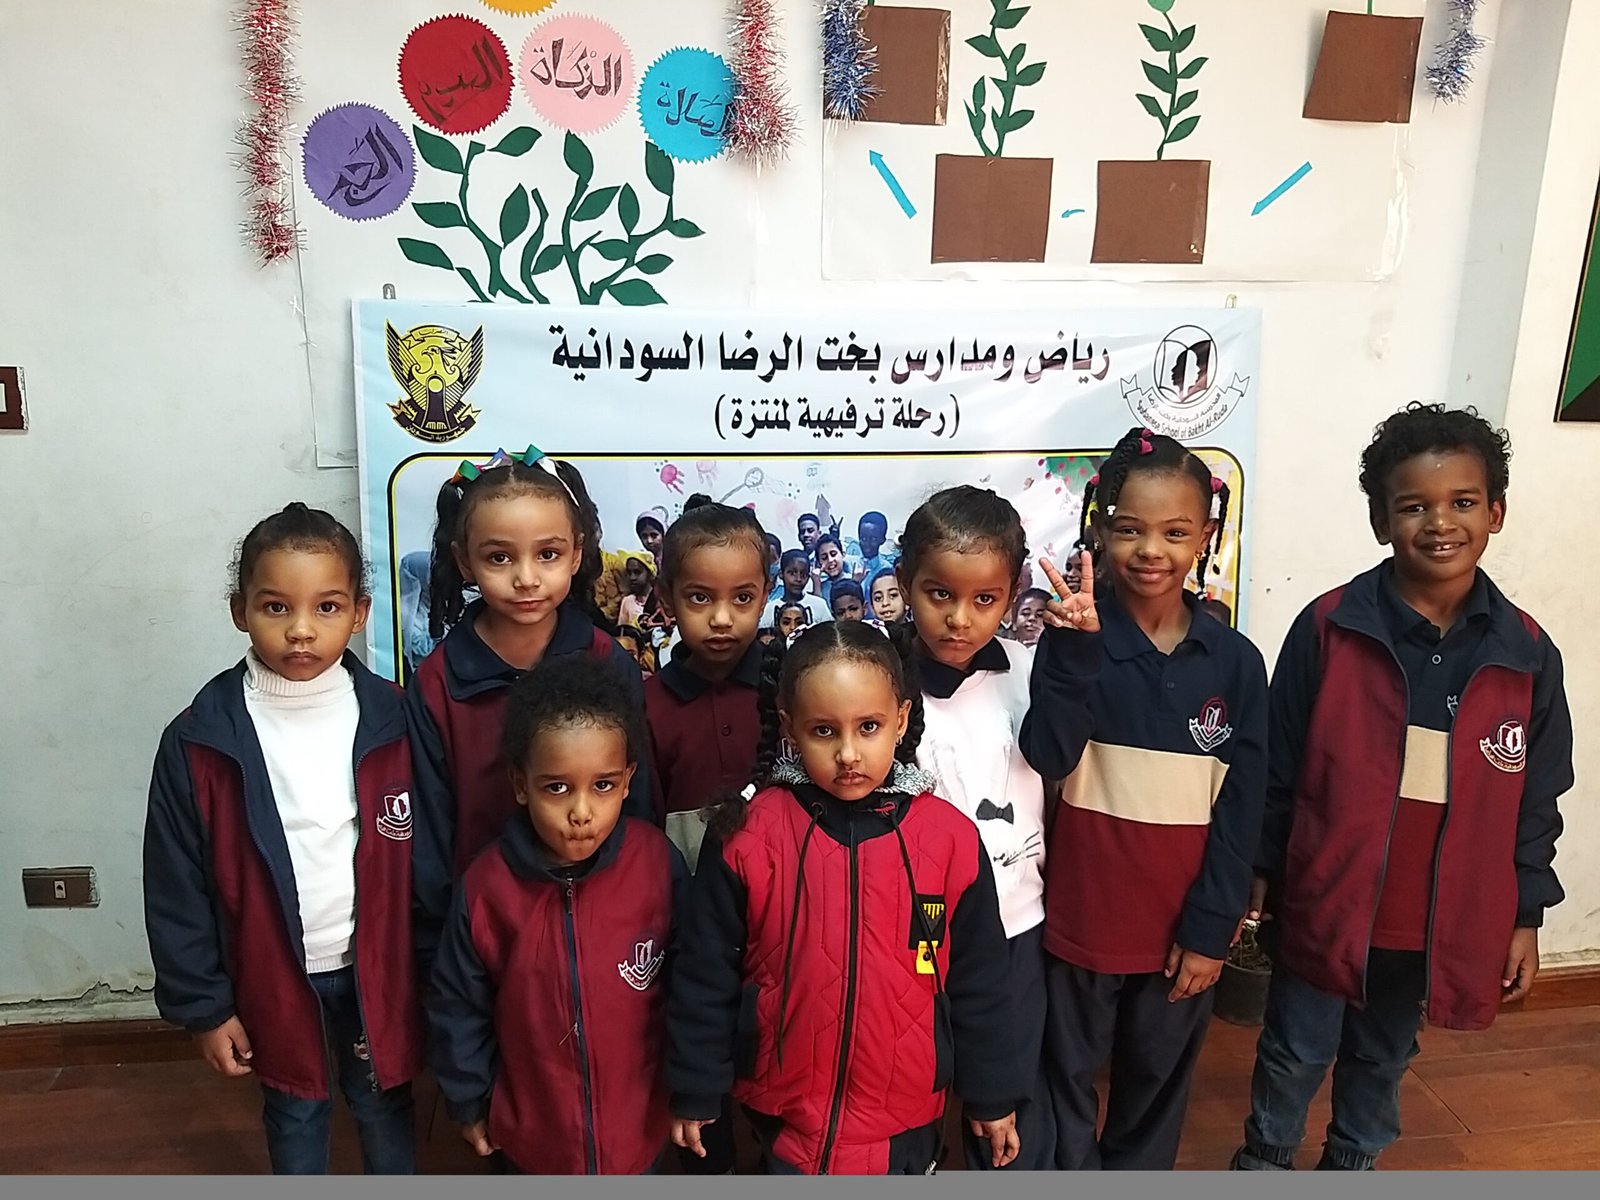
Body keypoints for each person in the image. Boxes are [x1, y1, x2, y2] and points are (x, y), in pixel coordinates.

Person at [1230, 404, 1574, 1172]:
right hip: (1325, 903)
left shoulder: (1526, 653)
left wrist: (1524, 915)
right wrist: (1262, 869)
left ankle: (1352, 1166)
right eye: (1413, 506)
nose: (1439, 523)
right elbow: (1278, 767)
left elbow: (1536, 800)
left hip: (1429, 925)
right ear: (1382, 521)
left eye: (1462, 502)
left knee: (1382, 1056)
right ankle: (1265, 1162)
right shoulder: (1329, 628)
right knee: (1293, 1049)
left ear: (1496, 512)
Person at [667, 622, 1024, 1175]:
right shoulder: (747, 836)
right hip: (782, 1118)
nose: (849, 753)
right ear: (789, 726)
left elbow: (982, 980)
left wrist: (993, 1092)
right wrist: (695, 1085)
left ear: (901, 720)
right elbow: (704, 974)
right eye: (824, 731)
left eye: (869, 727)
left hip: (906, 1122)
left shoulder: (949, 840)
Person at [143, 504, 422, 1175]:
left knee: (384, 1103)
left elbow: (432, 859)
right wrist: (206, 1009)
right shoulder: (200, 738)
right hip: (268, 971)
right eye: (276, 607)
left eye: (326, 607)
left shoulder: (397, 719)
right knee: (296, 1108)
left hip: (377, 970)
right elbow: (175, 885)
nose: (301, 629)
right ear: (239, 611)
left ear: (359, 613)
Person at [1021, 427, 1268, 1171]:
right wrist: (1074, 654)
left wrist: (1212, 928)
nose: (1150, 550)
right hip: (1079, 919)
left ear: (1206, 537)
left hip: (1179, 931)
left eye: (1175, 532)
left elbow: (1241, 813)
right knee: (1063, 1080)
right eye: (1129, 529)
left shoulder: (1236, 663)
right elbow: (1048, 755)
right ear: (1099, 528)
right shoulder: (1074, 640)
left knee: (1155, 1086)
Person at [428, 656, 685, 1175]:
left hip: (641, 1136)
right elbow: (458, 1005)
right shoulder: (487, 888)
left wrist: (693, 1085)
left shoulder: (658, 865)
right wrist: (469, 1100)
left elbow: (694, 986)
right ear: (521, 784)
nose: (581, 813)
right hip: (532, 1142)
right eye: (557, 788)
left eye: (603, 785)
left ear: (628, 779)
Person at [407, 446, 653, 970]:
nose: (526, 578)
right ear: (464, 560)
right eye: (500, 557)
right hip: (485, 940)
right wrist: (442, 951)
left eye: (548, 554)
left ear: (577, 553)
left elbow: (639, 806)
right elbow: (429, 833)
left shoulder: (608, 664)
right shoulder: (437, 684)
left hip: (604, 931)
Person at [895, 486, 1055, 1171]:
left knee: (1005, 1097)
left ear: (1012, 594)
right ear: (905, 582)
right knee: (915, 1078)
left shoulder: (1029, 673)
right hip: (917, 927)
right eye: (939, 594)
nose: (959, 619)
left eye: (984, 599)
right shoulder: (876, 678)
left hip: (1016, 921)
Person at [641, 502, 771, 1173]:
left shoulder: (790, 689)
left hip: (778, 921)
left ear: (765, 596)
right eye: (699, 598)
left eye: (741, 598)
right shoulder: (647, 705)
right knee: (700, 1058)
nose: (722, 618)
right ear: (667, 601)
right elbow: (642, 829)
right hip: (688, 930)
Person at [767, 549, 831, 626]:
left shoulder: (819, 605)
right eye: (792, 573)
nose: (798, 579)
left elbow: (829, 631)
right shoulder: (769, 609)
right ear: (781, 574)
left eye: (803, 574)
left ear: (809, 576)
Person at [851, 510, 897, 580]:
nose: (867, 544)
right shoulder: (847, 565)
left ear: (883, 540)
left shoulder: (887, 570)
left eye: (873, 539)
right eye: (863, 538)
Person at [814, 533, 850, 608]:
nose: (830, 560)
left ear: (843, 554)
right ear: (819, 563)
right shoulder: (820, 587)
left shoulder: (855, 579)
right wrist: (817, 584)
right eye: (824, 558)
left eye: (833, 554)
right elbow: (818, 611)